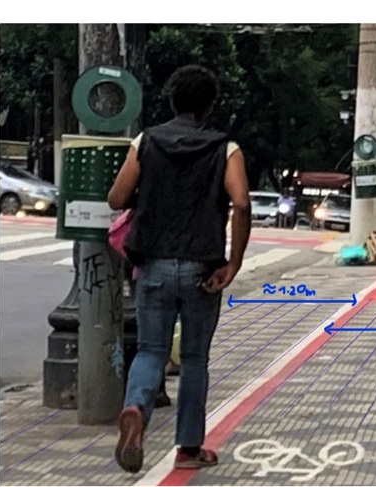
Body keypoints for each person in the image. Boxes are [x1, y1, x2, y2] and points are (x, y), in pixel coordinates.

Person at [107, 65, 252, 472]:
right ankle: (189, 449)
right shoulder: (226, 149)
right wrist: (234, 262)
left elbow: (116, 198)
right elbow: (242, 202)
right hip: (203, 270)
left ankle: (136, 407)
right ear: (210, 106)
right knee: (193, 359)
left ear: (172, 100)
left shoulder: (146, 141)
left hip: (152, 264)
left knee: (151, 350)